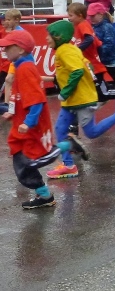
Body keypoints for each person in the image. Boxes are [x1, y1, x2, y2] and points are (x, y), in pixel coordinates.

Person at [0, 30, 89, 209]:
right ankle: (45, 195)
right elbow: (20, 95)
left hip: (29, 125)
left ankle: (68, 145)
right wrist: (12, 111)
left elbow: (37, 100)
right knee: (23, 163)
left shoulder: (25, 69)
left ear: (20, 49)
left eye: (8, 47)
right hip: (21, 124)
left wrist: (29, 122)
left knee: (32, 160)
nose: (4, 50)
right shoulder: (21, 66)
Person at [45, 20, 115, 179]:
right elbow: (87, 65)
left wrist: (66, 92)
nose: (46, 38)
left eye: (49, 35)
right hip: (74, 99)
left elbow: (77, 71)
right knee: (60, 129)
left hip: (81, 99)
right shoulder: (70, 49)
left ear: (58, 36)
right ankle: (69, 165)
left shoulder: (64, 51)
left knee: (91, 132)